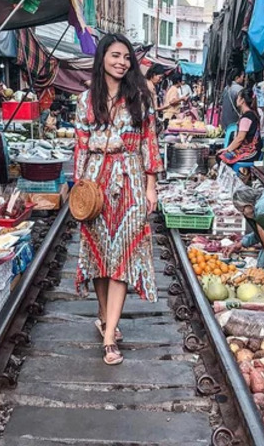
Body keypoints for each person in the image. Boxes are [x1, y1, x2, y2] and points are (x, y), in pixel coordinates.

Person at [74, 33, 162, 366]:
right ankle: (103, 313)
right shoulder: (85, 100)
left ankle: (110, 335)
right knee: (98, 255)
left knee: (122, 256)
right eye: (115, 55)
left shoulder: (140, 96)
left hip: (131, 180)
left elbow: (149, 142)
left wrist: (151, 186)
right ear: (102, 59)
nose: (121, 62)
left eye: (126, 57)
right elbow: (81, 145)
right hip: (95, 183)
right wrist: (78, 188)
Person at [218, 88, 262, 165]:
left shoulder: (247, 117)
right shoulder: (252, 114)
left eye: (238, 98)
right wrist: (228, 149)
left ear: (242, 100)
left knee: (221, 157)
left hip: (250, 152)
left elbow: (240, 138)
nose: (236, 100)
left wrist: (228, 149)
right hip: (252, 150)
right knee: (222, 155)